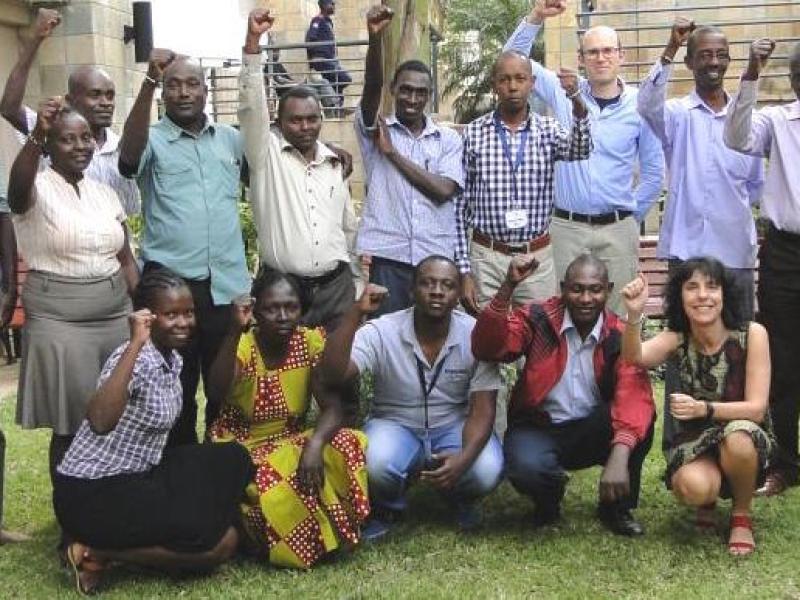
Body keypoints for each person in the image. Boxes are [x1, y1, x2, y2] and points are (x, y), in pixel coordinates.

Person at [53, 267, 252, 594]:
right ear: (147, 316)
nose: (184, 322)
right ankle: (95, 551)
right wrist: (135, 343)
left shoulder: (171, 358)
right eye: (170, 314)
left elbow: (218, 393)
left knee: (233, 457)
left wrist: (234, 330)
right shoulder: (133, 357)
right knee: (219, 543)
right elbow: (100, 421)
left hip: (140, 474)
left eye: (188, 313)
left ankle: (123, 545)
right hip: (92, 492)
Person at [7, 98, 139, 534]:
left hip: (114, 313)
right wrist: (35, 137)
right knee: (71, 424)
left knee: (116, 417)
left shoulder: (103, 192)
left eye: (85, 137)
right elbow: (17, 188)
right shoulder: (35, 187)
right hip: (60, 317)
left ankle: (114, 511)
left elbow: (125, 258)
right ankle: (74, 524)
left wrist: (141, 310)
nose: (81, 146)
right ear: (49, 144)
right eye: (68, 139)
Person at [118, 49, 251, 445]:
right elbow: (127, 161)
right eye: (172, 84)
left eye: (192, 83)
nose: (183, 92)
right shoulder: (152, 139)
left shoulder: (230, 140)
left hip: (225, 286)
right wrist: (147, 83)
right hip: (172, 289)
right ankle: (176, 475)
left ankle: (215, 475)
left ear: (206, 90)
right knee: (174, 387)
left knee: (224, 388)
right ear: (162, 92)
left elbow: (271, 160)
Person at [471, 254, 655, 535]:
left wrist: (620, 454)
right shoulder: (538, 318)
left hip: (593, 428)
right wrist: (508, 286)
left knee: (642, 419)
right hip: (539, 425)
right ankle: (547, 502)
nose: (585, 298)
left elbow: (633, 394)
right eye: (577, 288)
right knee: (526, 466)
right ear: (562, 287)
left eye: (595, 289)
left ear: (609, 289)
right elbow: (488, 347)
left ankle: (616, 507)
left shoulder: (617, 333)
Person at [322, 256, 504, 539]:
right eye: (427, 283)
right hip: (395, 423)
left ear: (458, 295)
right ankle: (388, 506)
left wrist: (464, 458)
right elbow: (334, 374)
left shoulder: (475, 334)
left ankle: (459, 497)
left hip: (452, 426)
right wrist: (355, 314)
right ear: (411, 290)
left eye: (447, 285)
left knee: (486, 468)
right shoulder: (383, 330)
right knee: (376, 459)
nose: (437, 291)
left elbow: (483, 409)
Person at [503, 0, 663, 315]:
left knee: (617, 320)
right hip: (567, 229)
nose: (600, 58)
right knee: (561, 317)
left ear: (621, 56)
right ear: (581, 59)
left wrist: (628, 218)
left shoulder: (640, 105)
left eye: (607, 50)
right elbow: (511, 60)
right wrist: (536, 17)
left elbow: (654, 173)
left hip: (617, 230)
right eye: (592, 52)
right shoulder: (563, 92)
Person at [207, 270, 369, 568]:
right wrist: (232, 332)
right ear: (255, 311)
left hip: (288, 442)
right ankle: (285, 543)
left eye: (290, 307)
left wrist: (315, 445)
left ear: (301, 309)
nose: (282, 316)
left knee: (347, 442)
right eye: (271, 308)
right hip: (240, 450)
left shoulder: (309, 342)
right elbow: (216, 392)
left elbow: (332, 407)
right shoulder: (244, 346)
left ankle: (330, 530)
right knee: (280, 480)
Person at [620, 258, 772, 556]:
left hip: (745, 430)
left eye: (712, 287)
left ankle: (741, 515)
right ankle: (708, 497)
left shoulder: (752, 334)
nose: (703, 295)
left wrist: (704, 409)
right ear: (680, 297)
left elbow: (756, 409)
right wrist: (634, 315)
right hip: (696, 439)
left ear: (725, 294)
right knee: (693, 488)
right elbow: (634, 358)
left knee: (738, 438)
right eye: (692, 287)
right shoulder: (678, 337)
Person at [636, 18, 764, 319]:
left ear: (729, 61)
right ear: (690, 62)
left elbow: (756, 187)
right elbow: (646, 105)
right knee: (681, 344)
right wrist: (671, 47)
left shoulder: (749, 123)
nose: (714, 62)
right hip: (686, 251)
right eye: (705, 55)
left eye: (721, 55)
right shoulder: (677, 115)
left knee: (738, 342)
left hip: (735, 253)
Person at [240, 10, 358, 331]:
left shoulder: (335, 163)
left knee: (337, 377)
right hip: (284, 293)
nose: (305, 126)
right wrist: (253, 43)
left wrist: (357, 278)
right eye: (295, 120)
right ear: (279, 123)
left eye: (312, 118)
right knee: (288, 378)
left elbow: (347, 227)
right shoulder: (266, 157)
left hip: (337, 291)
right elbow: (251, 109)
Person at [457, 51, 592, 312]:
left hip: (535, 259)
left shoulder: (548, 130)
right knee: (488, 341)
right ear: (494, 85)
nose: (513, 86)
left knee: (537, 339)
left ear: (532, 83)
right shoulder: (473, 134)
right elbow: (460, 206)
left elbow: (581, 149)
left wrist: (577, 102)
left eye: (520, 78)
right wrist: (464, 270)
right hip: (487, 258)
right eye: (505, 79)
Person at [724, 40, 800, 496]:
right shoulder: (777, 121)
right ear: (794, 80)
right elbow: (736, 136)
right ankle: (786, 463)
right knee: (784, 360)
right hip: (787, 253)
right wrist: (751, 71)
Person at [356, 5, 464, 316]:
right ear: (393, 91)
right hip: (389, 260)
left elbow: (444, 191)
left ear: (429, 95)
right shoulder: (376, 131)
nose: (412, 99)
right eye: (405, 90)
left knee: (433, 342)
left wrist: (393, 155)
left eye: (420, 92)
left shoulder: (448, 140)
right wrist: (375, 39)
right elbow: (370, 87)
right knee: (388, 341)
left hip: (435, 261)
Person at [0, 8, 139, 216]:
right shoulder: (50, 133)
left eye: (110, 95)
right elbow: (9, 107)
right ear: (70, 100)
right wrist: (36, 38)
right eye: (95, 95)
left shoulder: (121, 150)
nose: (106, 103)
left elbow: (129, 215)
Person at [305, 0, 352, 108]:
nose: (334, 6)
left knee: (335, 82)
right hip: (322, 60)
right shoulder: (317, 20)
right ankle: (335, 106)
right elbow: (311, 38)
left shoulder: (328, 22)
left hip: (331, 60)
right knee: (345, 79)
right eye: (332, 4)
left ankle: (336, 108)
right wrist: (315, 58)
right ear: (324, 5)